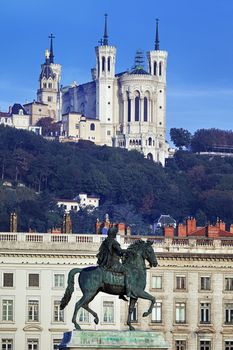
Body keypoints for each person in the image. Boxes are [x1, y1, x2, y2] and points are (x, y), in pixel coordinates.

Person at [96, 225, 132, 298]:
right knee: (127, 272)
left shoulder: (105, 241)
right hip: (114, 263)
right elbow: (120, 251)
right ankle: (127, 292)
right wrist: (129, 251)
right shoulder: (113, 242)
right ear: (114, 234)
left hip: (105, 262)